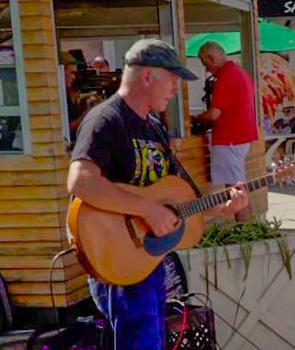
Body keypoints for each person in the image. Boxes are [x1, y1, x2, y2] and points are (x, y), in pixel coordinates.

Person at [67, 39, 250, 350]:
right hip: (118, 260)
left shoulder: (154, 128)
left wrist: (216, 209)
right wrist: (146, 211)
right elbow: (81, 181)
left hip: (148, 262)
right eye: (173, 79)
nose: (177, 88)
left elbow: (169, 206)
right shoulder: (106, 120)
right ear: (148, 75)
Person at [195, 41, 258, 222]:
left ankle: (245, 230)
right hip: (241, 136)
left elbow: (214, 113)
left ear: (211, 58)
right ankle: (251, 227)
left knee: (235, 191)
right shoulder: (241, 73)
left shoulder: (225, 77)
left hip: (230, 138)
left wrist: (195, 118)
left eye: (204, 63)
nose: (206, 69)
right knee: (239, 188)